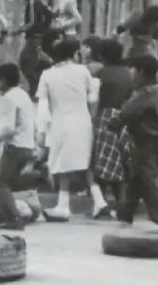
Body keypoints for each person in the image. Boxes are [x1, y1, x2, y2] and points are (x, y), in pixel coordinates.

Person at [35, 38, 109, 221]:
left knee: (62, 164)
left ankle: (63, 205)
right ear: (72, 54)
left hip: (60, 122)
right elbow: (93, 100)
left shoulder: (47, 75)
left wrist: (41, 131)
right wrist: (91, 117)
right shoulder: (83, 71)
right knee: (85, 162)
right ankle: (99, 201)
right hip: (83, 121)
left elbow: (43, 106)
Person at [108, 55, 158, 229]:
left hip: (143, 138)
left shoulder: (144, 94)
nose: (131, 73)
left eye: (133, 69)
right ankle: (125, 216)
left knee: (147, 177)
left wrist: (113, 123)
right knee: (136, 176)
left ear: (141, 71)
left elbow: (125, 113)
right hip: (155, 137)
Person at [0, 63, 35, 230]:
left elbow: (9, 127)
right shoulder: (23, 94)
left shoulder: (9, 98)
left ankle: (13, 218)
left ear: (4, 80)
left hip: (15, 145)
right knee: (11, 182)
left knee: (0, 183)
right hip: (27, 143)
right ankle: (37, 177)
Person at [92, 38, 134, 211]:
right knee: (123, 162)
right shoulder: (128, 73)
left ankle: (101, 204)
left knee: (101, 161)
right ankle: (122, 204)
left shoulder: (101, 74)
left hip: (105, 117)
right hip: (126, 116)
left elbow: (95, 100)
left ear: (102, 55)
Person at [10, 0, 53, 101]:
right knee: (32, 65)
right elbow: (50, 15)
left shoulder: (33, 2)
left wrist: (18, 30)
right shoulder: (40, 2)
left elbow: (32, 22)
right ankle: (35, 91)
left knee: (26, 64)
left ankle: (35, 92)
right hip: (37, 37)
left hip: (34, 38)